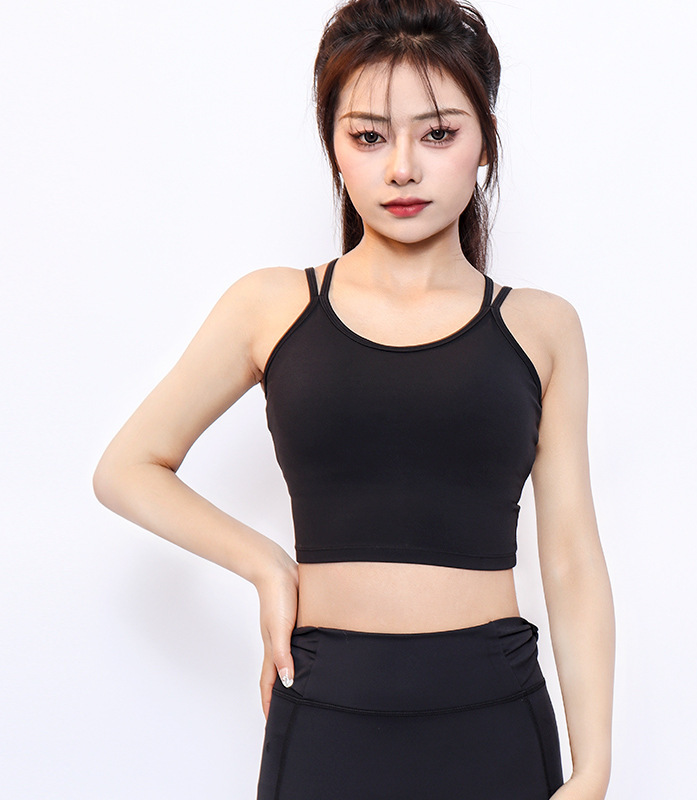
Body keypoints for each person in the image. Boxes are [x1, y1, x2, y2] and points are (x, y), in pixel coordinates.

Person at [93, 0, 615, 797]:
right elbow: (127, 468)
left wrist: (594, 767)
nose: (402, 168)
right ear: (334, 147)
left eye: (437, 134)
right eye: (369, 136)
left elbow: (571, 557)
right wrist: (267, 566)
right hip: (326, 711)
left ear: (483, 142)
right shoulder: (270, 307)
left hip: (494, 717)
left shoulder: (542, 327)